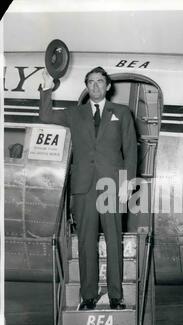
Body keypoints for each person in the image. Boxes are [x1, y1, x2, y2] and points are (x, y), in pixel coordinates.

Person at [39, 67, 137, 310]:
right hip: (84, 187)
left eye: (100, 82)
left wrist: (127, 182)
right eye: (91, 82)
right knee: (85, 241)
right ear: (87, 86)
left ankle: (116, 296)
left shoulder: (122, 113)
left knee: (114, 240)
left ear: (108, 86)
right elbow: (46, 116)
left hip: (111, 186)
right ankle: (89, 296)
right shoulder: (76, 114)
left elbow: (131, 151)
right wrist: (46, 88)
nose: (95, 86)